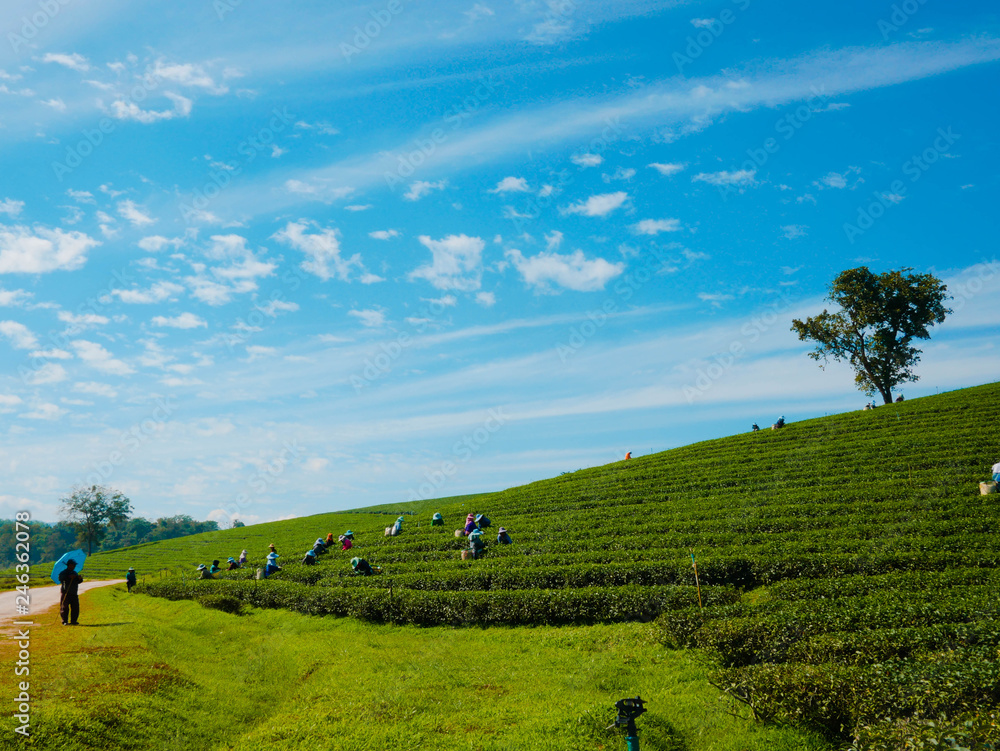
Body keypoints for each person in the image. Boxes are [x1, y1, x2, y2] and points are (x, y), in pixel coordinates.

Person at [59, 559, 83, 625]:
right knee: (65, 608)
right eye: (73, 565)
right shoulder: (63, 573)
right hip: (66, 592)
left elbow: (78, 582)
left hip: (74, 592)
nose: (74, 566)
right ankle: (65, 621)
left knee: (75, 607)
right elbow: (61, 579)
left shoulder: (75, 572)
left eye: (74, 565)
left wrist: (80, 579)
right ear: (69, 565)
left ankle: (73, 621)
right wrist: (69, 577)